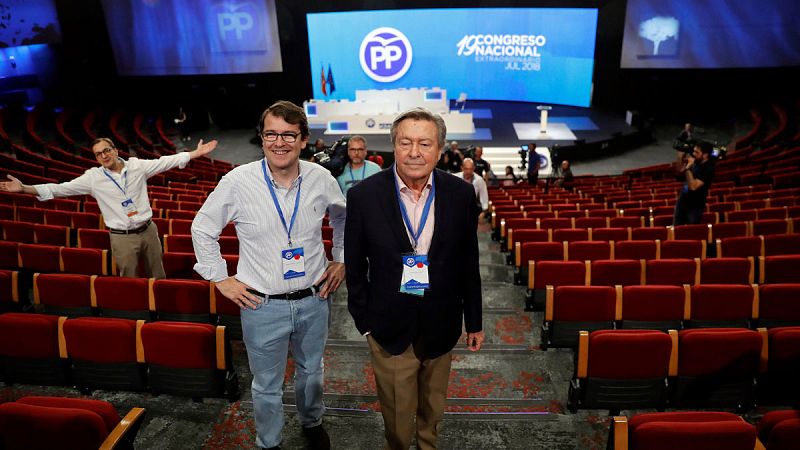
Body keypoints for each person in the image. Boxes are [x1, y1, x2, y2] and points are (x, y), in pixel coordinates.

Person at [191, 100, 345, 450]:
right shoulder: (238, 181)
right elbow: (202, 229)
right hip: (261, 304)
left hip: (314, 298)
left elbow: (342, 218)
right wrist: (220, 278)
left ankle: (311, 421)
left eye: (289, 134)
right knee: (265, 384)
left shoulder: (321, 178)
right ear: (261, 138)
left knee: (312, 372)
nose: (280, 142)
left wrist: (342, 258)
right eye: (272, 134)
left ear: (304, 140)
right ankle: (269, 442)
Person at [345, 107, 484, 450]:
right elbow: (354, 264)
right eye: (405, 142)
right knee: (396, 416)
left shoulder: (461, 195)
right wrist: (364, 321)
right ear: (394, 146)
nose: (414, 152)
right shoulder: (363, 196)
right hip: (388, 327)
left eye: (425, 143)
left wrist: (475, 322)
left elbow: (469, 262)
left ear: (440, 150)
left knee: (433, 409)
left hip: (442, 323)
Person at [0, 137, 217, 279]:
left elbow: (165, 161)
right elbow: (59, 189)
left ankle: (160, 311)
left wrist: (194, 154)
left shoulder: (137, 166)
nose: (103, 156)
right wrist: (24, 188)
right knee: (129, 279)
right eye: (98, 154)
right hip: (122, 237)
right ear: (96, 158)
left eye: (106, 151)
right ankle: (137, 316)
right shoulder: (93, 178)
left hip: (149, 231)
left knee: (158, 276)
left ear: (115, 150)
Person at [673, 140, 715, 226]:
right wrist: (679, 158)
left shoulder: (708, 168)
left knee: (689, 232)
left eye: (697, 152)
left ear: (705, 155)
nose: (693, 154)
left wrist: (688, 168)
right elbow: (679, 174)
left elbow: (693, 186)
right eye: (694, 151)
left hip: (694, 206)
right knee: (676, 228)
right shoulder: (696, 161)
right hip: (682, 201)